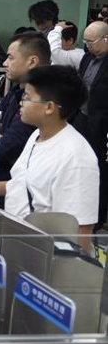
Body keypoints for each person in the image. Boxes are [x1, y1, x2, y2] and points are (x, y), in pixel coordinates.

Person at [0, 66, 98, 253]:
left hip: (46, 256)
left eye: (27, 97)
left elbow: (80, 231)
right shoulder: (37, 136)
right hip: (20, 247)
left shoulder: (77, 158)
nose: (21, 102)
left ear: (49, 107)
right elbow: (22, 185)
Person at [0, 32, 49, 208]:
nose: (5, 63)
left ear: (32, 61)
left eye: (11, 58)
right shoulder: (15, 93)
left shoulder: (39, 105)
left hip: (18, 200)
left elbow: (6, 147)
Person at [72, 20, 108, 228]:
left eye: (91, 42)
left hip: (101, 124)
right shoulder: (86, 58)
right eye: (85, 41)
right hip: (81, 118)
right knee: (77, 165)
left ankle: (96, 219)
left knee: (98, 170)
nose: (87, 46)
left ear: (106, 39)